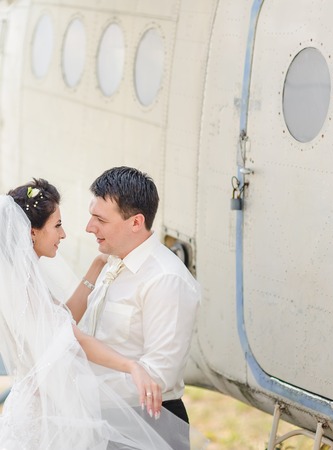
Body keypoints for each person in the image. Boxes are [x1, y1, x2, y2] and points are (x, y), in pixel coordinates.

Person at [0, 179, 181, 449]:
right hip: (47, 416)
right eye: (57, 225)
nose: (64, 235)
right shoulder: (26, 289)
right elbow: (77, 339)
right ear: (32, 233)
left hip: (37, 406)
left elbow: (62, 319)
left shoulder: (18, 281)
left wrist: (97, 266)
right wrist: (132, 366)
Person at [75, 166, 201, 447]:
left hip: (148, 428)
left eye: (100, 219)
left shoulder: (165, 280)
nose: (89, 227)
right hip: (103, 421)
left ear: (135, 222)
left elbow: (158, 375)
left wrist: (78, 390)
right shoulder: (113, 262)